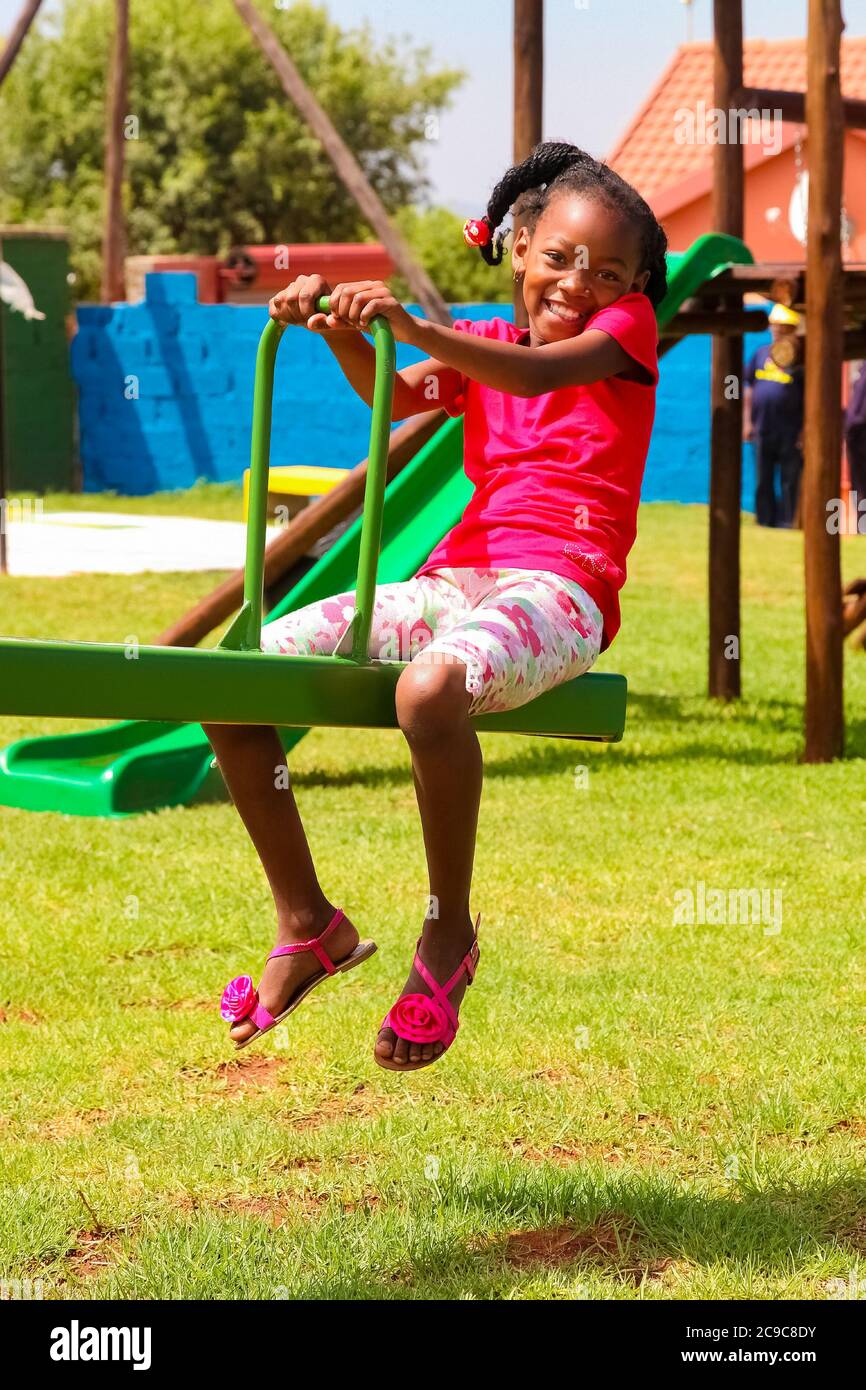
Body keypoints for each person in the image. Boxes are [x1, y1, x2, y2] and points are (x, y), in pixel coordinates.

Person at [205, 140, 665, 1072]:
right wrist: (339, 327)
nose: (579, 282)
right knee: (233, 679)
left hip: (561, 588)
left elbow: (539, 378)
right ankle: (309, 922)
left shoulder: (624, 337)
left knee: (427, 694)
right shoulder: (487, 342)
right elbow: (393, 392)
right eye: (561, 257)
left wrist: (410, 322)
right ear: (518, 243)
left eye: (608, 271)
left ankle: (447, 933)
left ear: (632, 288)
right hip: (456, 580)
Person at [743, 304, 805, 528]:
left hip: (790, 430)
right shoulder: (760, 354)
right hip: (762, 428)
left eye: (784, 327)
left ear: (793, 329)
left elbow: (809, 398)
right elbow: (747, 386)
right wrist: (747, 421)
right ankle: (764, 520)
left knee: (790, 480)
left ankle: (789, 522)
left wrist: (805, 431)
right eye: (776, 326)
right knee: (763, 479)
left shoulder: (800, 362)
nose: (778, 331)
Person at [845, 360, 866, 508]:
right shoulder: (861, 368)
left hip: (859, 429)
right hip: (855, 433)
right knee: (858, 486)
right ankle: (861, 526)